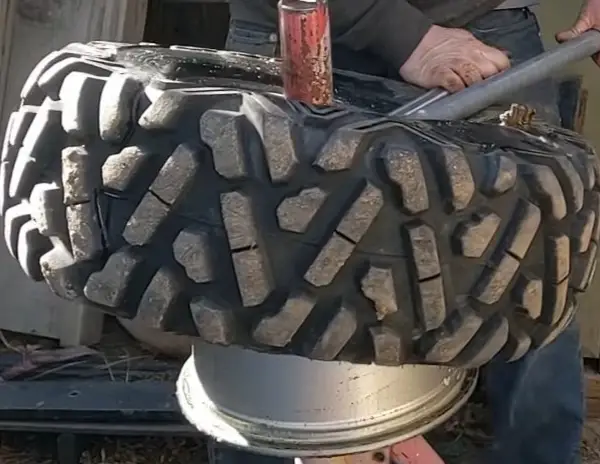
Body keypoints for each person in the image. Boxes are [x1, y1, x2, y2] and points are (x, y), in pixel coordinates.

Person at [216, 0, 600, 462]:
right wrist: (401, 33)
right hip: (304, 29)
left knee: (529, 265)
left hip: (485, 33)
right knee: (273, 270)